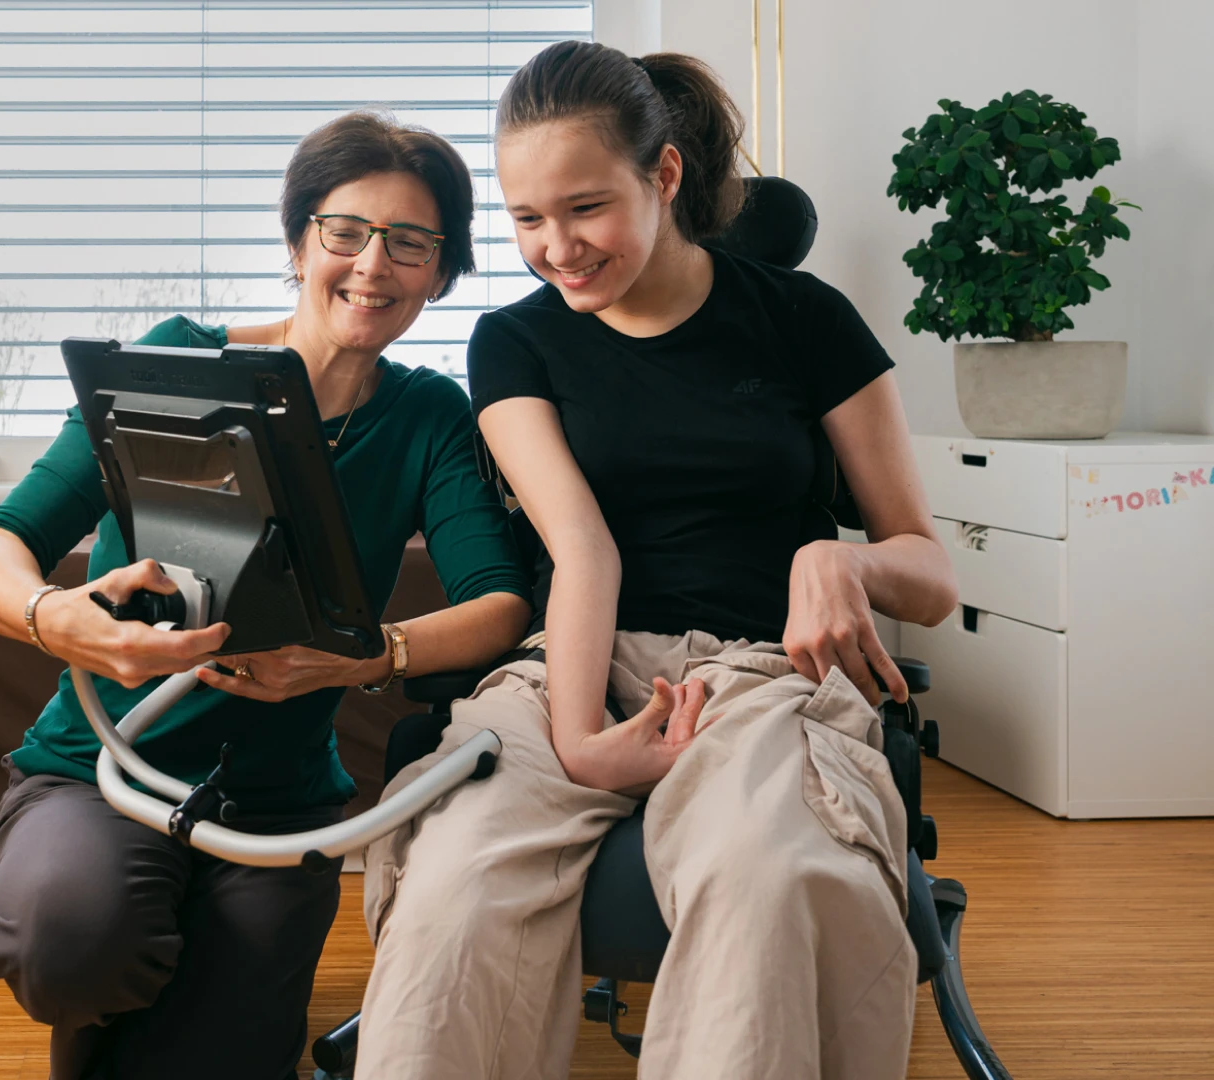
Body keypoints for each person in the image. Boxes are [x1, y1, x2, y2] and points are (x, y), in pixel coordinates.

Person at [355, 42, 958, 1080]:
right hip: (572, 669)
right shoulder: (515, 343)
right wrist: (582, 738)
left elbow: (932, 576)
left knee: (767, 878)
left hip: (762, 676)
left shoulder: (804, 321)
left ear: (665, 175)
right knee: (454, 885)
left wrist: (840, 560)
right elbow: (581, 548)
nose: (557, 248)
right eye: (526, 219)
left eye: (584, 209)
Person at [0, 111, 531, 1080]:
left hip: (275, 805)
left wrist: (369, 655)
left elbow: (500, 604)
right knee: (71, 947)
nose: (372, 265)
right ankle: (110, 942)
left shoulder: (429, 416)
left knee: (227, 1058)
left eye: (411, 243)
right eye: (345, 231)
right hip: (107, 768)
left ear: (441, 270)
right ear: (299, 240)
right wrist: (61, 621)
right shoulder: (177, 362)